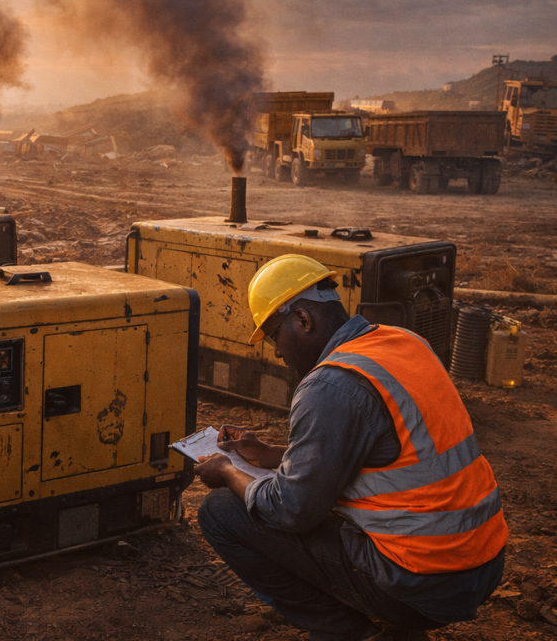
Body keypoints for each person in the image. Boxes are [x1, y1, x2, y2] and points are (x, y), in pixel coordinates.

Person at [193, 254, 507, 641]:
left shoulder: (330, 384)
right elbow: (386, 451)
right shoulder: (404, 343)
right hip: (482, 561)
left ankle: (350, 633)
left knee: (222, 512)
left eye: (276, 336)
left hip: (420, 582)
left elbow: (290, 511)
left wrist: (227, 471)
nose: (277, 351)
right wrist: (271, 454)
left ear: (303, 320)